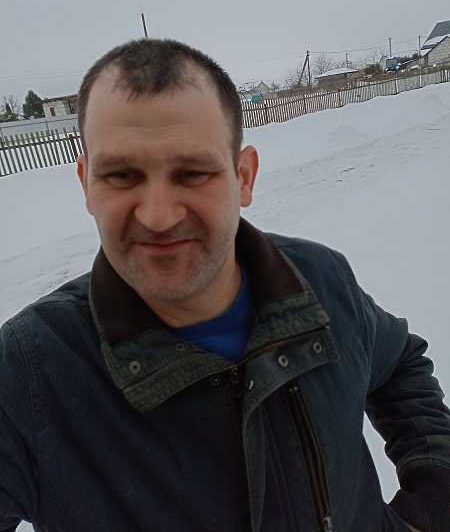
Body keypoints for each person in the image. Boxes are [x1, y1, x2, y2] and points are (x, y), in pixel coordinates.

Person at [0, 39, 449, 532]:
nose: (158, 215)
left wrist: (430, 505)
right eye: (121, 175)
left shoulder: (320, 280)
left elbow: (399, 366)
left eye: (192, 172)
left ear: (244, 176)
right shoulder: (29, 372)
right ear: (87, 183)